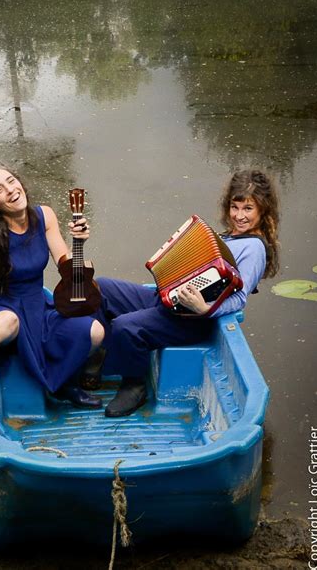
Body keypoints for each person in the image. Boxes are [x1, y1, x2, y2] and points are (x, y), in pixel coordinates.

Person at [85, 169, 280, 418]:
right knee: (102, 288)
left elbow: (239, 299)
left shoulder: (254, 248)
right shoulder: (228, 237)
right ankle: (102, 353)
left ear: (263, 210)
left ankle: (134, 385)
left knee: (126, 326)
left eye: (248, 209)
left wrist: (204, 308)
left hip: (192, 319)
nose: (239, 216)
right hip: (170, 300)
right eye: (235, 207)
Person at [0, 162, 105, 409]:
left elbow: (65, 265)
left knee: (95, 331)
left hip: (38, 306)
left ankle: (64, 386)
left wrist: (78, 242)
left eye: (11, 181)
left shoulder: (44, 215)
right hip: (3, 304)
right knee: (9, 321)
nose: (11, 189)